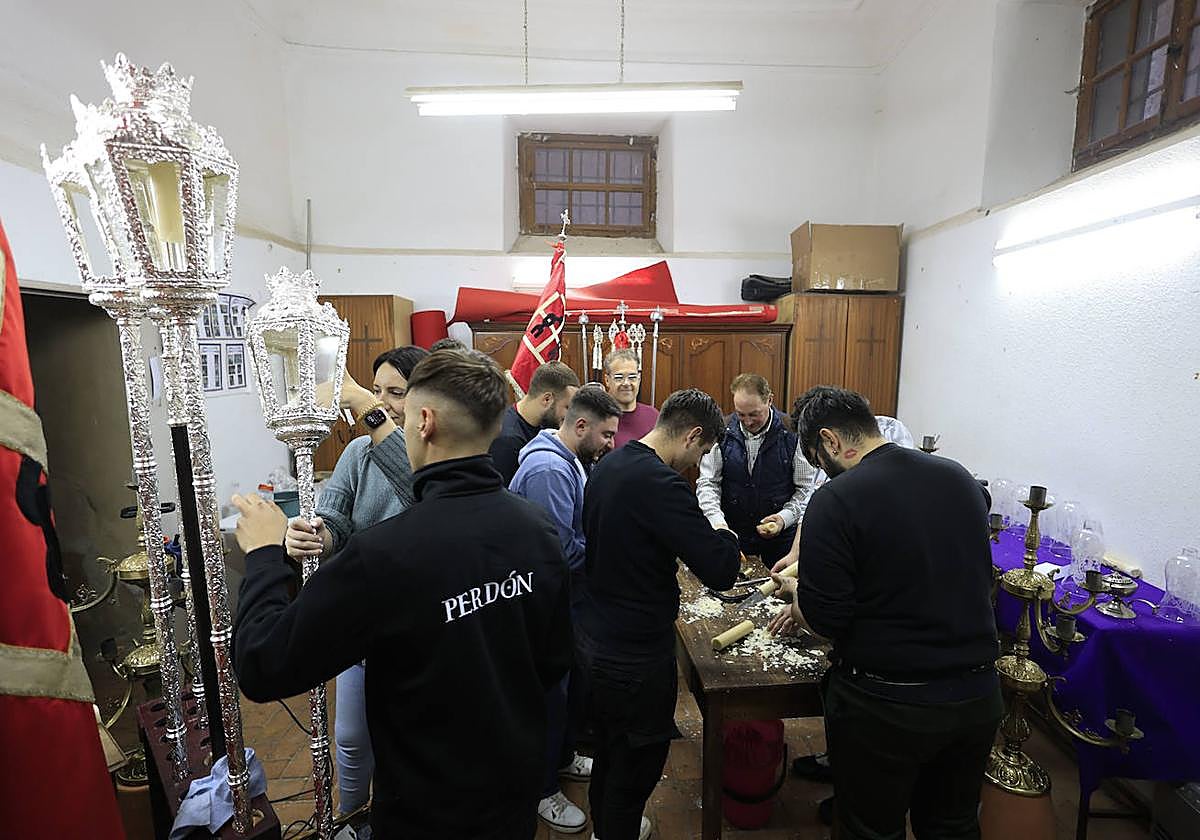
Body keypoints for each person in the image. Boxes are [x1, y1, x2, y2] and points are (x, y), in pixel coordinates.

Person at [233, 349, 574, 840]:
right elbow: (554, 659)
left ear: (425, 422)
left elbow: (262, 664)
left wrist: (265, 555)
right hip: (511, 788)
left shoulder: (384, 556)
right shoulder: (537, 529)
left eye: (403, 407)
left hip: (427, 810)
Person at [767, 387, 1002, 840]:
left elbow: (825, 619)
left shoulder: (837, 499)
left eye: (818, 459)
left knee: (871, 830)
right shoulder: (959, 478)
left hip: (889, 706)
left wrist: (798, 595)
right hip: (975, 697)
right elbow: (918, 563)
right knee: (952, 826)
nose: (822, 471)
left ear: (830, 442)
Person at [581, 389, 741, 840]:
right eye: (702, 451)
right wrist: (725, 534)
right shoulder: (661, 483)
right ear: (692, 435)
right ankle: (618, 829)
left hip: (596, 638)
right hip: (634, 655)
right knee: (636, 767)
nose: (696, 463)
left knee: (610, 754)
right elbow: (720, 570)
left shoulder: (611, 463)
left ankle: (608, 829)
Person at [280, 345, 427, 836]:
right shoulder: (358, 451)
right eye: (376, 389)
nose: (380, 401)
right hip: (365, 619)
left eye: (395, 393)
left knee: (409, 739)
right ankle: (350, 819)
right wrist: (315, 535)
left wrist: (367, 406)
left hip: (417, 624)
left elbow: (419, 491)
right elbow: (337, 516)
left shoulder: (433, 447)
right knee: (349, 737)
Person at [510, 385, 621, 834]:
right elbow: (556, 551)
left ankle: (561, 757)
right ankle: (541, 789)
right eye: (607, 435)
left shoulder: (568, 460)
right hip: (544, 605)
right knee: (548, 697)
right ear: (579, 426)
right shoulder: (548, 470)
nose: (612, 444)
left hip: (564, 600)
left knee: (567, 690)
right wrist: (609, 558)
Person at [695, 373, 818, 568]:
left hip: (781, 542)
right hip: (733, 536)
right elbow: (708, 483)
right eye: (741, 414)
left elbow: (806, 489)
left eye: (754, 414)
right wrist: (718, 524)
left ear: (769, 400)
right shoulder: (722, 431)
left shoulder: (793, 433)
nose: (748, 421)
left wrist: (783, 519)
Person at [489, 361, 580, 484]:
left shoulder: (544, 425)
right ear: (547, 399)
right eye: (567, 407)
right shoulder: (508, 440)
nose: (570, 416)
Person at [603, 349, 658, 449]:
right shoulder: (599, 417)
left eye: (632, 377)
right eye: (619, 378)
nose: (626, 383)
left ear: (639, 378)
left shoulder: (653, 416)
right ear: (607, 380)